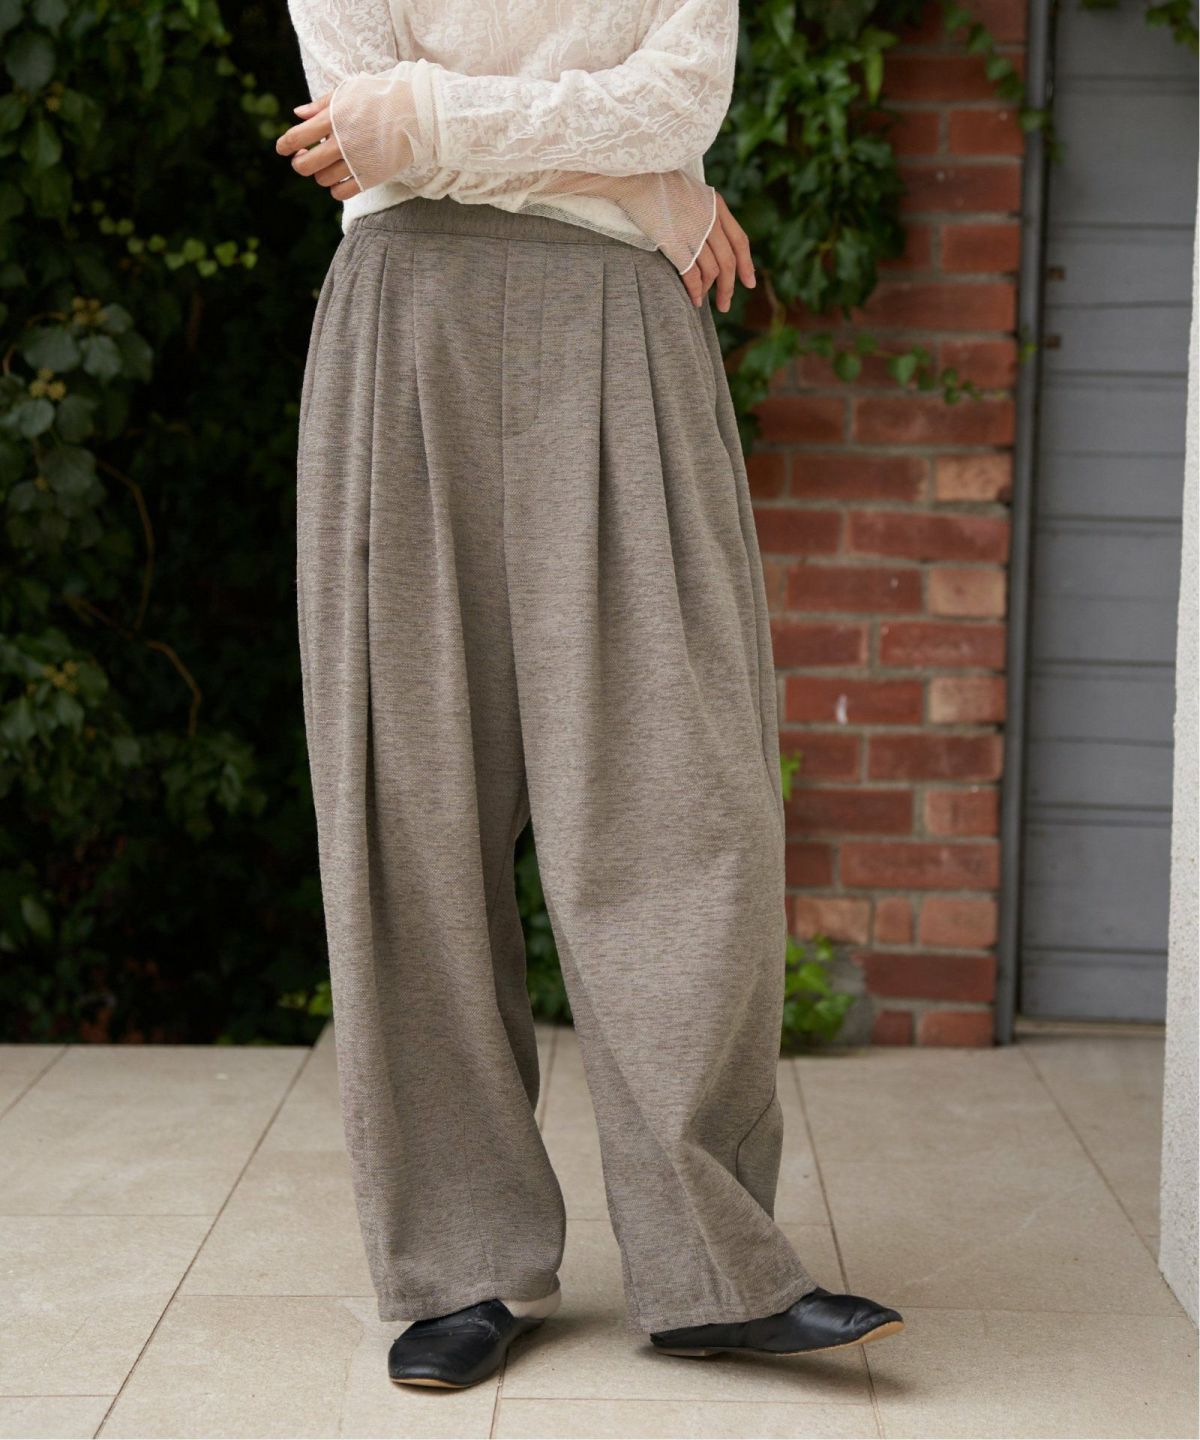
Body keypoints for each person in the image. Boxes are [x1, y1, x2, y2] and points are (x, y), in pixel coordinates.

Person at [277, 0, 904, 1392]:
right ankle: (462, 1266)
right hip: (409, 323)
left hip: (624, 323)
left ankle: (711, 1266)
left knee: (686, 802)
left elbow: (674, 100)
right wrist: (640, 184)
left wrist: (431, 121)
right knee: (411, 817)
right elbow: (348, 119)